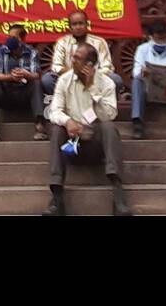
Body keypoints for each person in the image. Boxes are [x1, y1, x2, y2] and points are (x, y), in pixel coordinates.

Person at [44, 43, 130, 216]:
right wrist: (68, 122)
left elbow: (110, 114)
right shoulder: (64, 80)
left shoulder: (106, 83)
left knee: (108, 127)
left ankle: (117, 192)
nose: (72, 60)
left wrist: (92, 89)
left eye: (77, 58)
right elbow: (54, 111)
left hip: (96, 144)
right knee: (56, 130)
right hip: (72, 143)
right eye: (73, 56)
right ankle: (57, 197)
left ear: (89, 64)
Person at [0, 23, 47, 142]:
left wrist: (26, 74)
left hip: (25, 95)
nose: (10, 40)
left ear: (22, 39)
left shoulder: (32, 52)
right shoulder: (0, 51)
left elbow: (37, 75)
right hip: (7, 94)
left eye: (14, 37)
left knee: (36, 83)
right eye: (9, 37)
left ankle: (40, 126)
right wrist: (11, 77)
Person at [41, 10, 124, 98]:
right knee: (47, 80)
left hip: (94, 80)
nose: (78, 27)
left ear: (87, 25)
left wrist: (91, 74)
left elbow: (107, 67)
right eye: (75, 24)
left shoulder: (99, 42)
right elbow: (56, 67)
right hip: (70, 80)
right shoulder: (62, 42)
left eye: (81, 23)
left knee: (116, 80)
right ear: (70, 27)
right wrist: (75, 73)